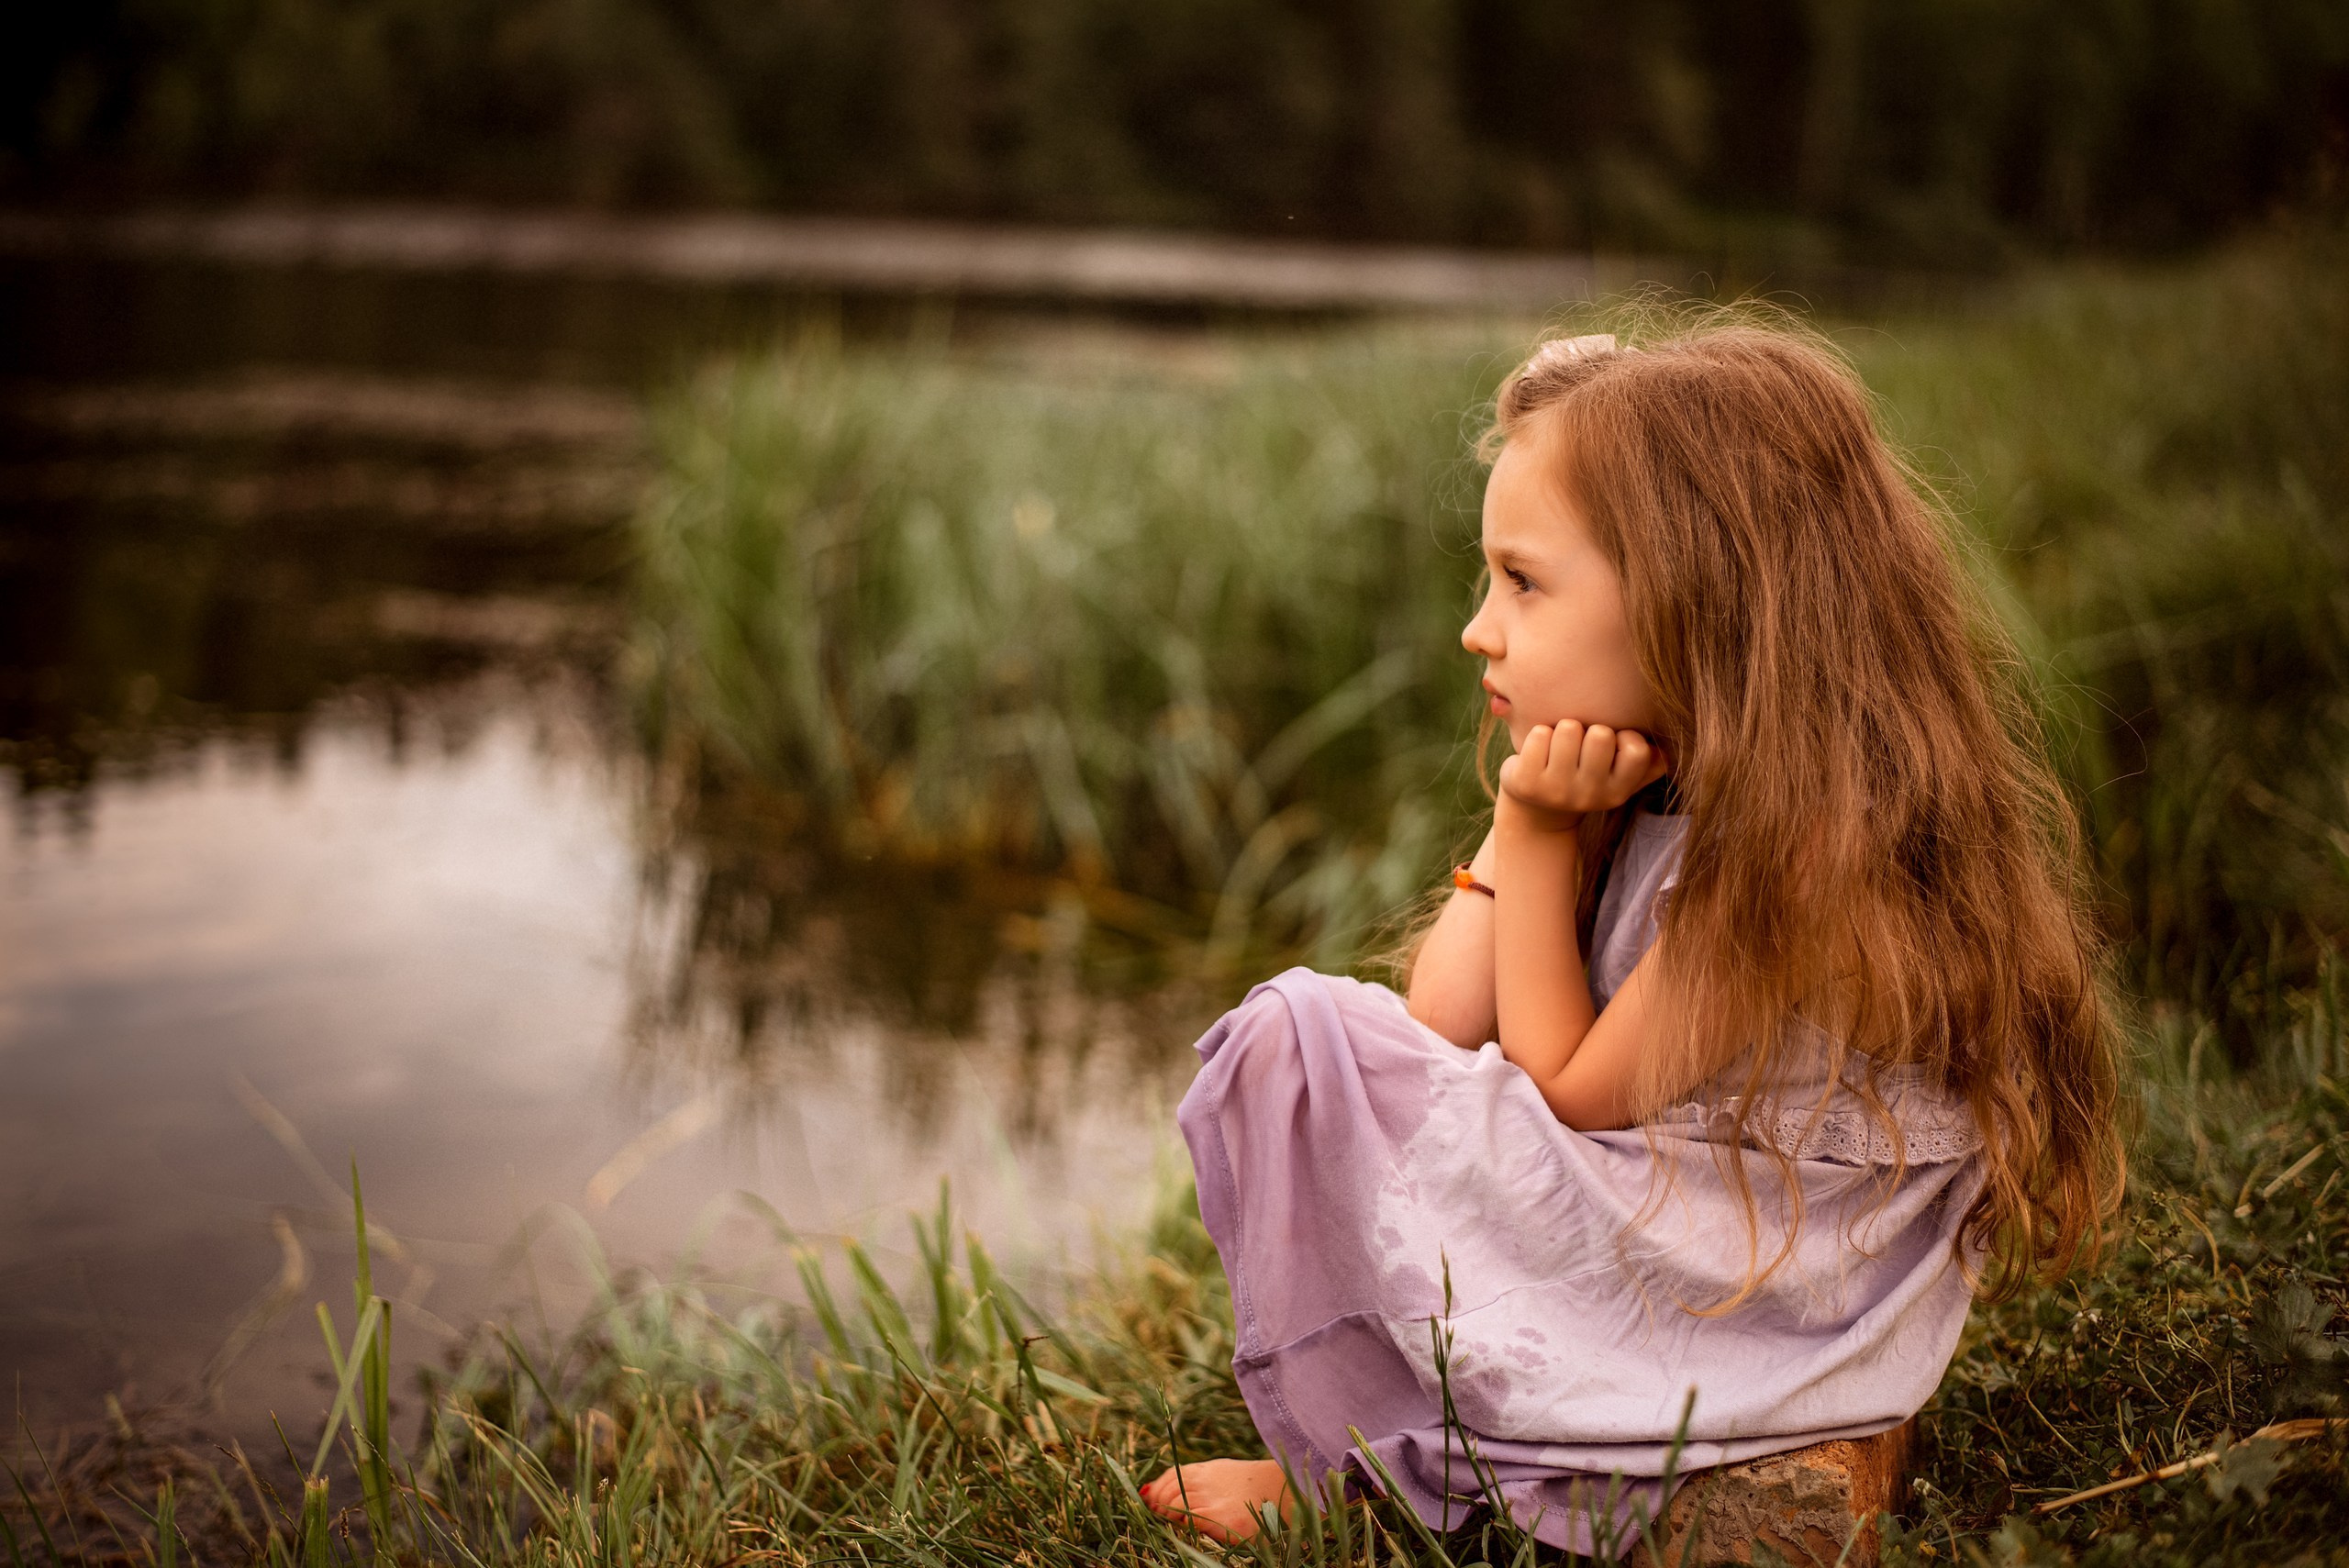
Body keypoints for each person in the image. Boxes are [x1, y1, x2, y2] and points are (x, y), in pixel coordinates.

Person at [1140, 318, 2123, 1553]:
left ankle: (1370, 1474)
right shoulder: (1659, 780)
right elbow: (1441, 1017)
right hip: (1680, 1227)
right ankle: (1409, 1444)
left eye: (1524, 581)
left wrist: (1535, 831)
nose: (1478, 628)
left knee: (1300, 1030)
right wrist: (1520, 834)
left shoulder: (1808, 839)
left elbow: (1577, 1092)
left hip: (1752, 1292)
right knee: (1304, 1037)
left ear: (1692, 597)